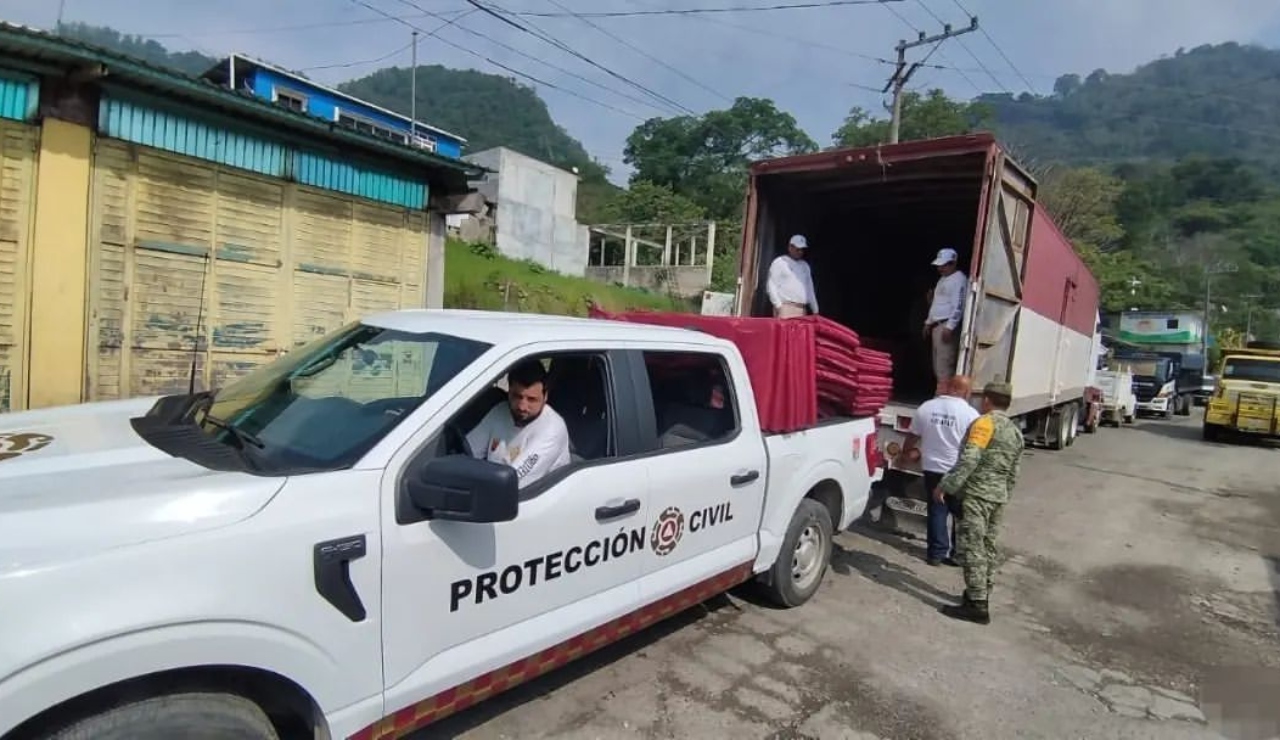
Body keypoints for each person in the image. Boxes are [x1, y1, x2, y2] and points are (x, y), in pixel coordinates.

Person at [934, 382, 1024, 625]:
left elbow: (969, 459)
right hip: (998, 498)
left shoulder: (984, 424)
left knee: (972, 548)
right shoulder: (1015, 432)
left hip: (976, 496)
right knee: (988, 547)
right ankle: (981, 592)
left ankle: (977, 605)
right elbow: (1014, 472)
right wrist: (1004, 494)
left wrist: (946, 486)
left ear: (986, 400)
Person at [900, 375, 980, 567]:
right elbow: (974, 446)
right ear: (966, 392)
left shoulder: (927, 407)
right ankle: (957, 554)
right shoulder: (971, 415)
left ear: (949, 387)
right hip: (957, 470)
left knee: (937, 509)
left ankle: (935, 554)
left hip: (932, 467)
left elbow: (912, 435)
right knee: (960, 512)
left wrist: (905, 452)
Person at [466, 359, 571, 488]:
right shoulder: (500, 411)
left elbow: (514, 482)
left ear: (545, 396)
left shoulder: (552, 428)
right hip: (493, 490)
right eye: (517, 396)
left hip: (531, 499)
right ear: (508, 391)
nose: (522, 406)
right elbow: (468, 455)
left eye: (531, 400)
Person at [923, 247, 969, 394]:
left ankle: (942, 398)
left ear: (952, 263)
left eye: (944, 265)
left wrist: (950, 326)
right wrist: (928, 322)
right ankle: (941, 395)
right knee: (938, 366)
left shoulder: (959, 280)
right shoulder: (943, 280)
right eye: (939, 265)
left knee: (945, 367)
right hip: (937, 326)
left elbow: (959, 306)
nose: (940, 268)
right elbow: (938, 304)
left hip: (945, 326)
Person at [766, 234, 818, 318]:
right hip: (785, 307)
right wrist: (778, 306)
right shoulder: (780, 262)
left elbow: (810, 288)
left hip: (802, 309)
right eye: (797, 249)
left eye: (802, 249)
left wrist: (815, 310)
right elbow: (771, 285)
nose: (800, 252)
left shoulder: (805, 266)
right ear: (790, 247)